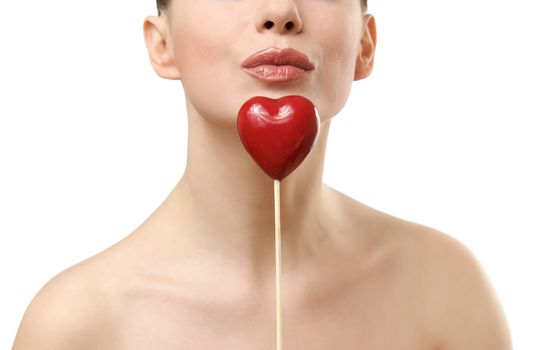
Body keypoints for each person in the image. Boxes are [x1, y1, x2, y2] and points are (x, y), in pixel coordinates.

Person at [13, 0, 512, 348]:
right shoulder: (76, 329)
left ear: (365, 44)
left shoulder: (445, 289)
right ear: (162, 45)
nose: (280, 11)